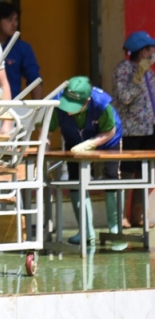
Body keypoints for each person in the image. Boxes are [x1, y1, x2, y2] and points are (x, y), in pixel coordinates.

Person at [49, 76, 126, 251]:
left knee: (112, 176)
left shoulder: (101, 104)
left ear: (87, 100)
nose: (68, 111)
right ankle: (85, 231)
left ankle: (115, 230)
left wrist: (89, 144)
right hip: (73, 140)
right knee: (75, 180)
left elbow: (109, 131)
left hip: (107, 139)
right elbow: (46, 130)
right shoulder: (56, 103)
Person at [112, 31, 155, 229]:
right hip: (130, 130)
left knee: (144, 173)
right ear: (142, 51)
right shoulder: (124, 70)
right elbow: (125, 97)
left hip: (149, 129)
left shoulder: (150, 73)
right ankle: (120, 216)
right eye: (150, 49)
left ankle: (138, 214)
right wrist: (137, 77)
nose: (153, 53)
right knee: (126, 173)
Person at [0, 1, 42, 98]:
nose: (14, 24)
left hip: (11, 106)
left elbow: (34, 80)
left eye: (16, 20)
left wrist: (38, 109)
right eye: (9, 20)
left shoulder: (23, 48)